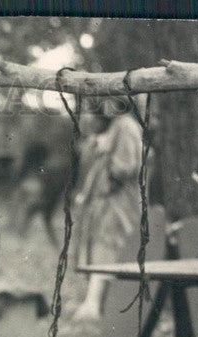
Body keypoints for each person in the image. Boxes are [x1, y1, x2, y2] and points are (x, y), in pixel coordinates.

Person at [70, 95, 153, 320]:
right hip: (110, 199)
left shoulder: (125, 125)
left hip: (119, 200)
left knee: (107, 247)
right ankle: (97, 302)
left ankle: (94, 303)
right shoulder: (118, 126)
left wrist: (107, 176)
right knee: (102, 246)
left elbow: (125, 166)